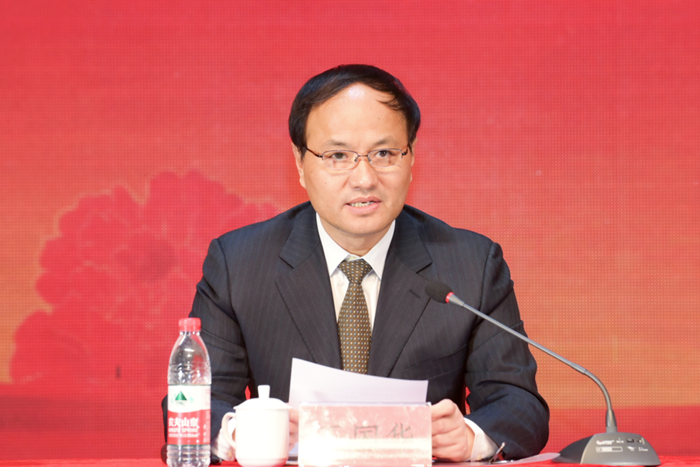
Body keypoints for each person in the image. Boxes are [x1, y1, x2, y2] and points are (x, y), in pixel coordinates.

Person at [163, 64, 549, 462]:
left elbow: (519, 403)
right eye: (338, 155)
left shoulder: (471, 264)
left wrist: (471, 437)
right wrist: (239, 431)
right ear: (300, 163)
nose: (364, 179)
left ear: (411, 157)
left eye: (384, 153)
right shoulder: (240, 264)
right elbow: (194, 404)